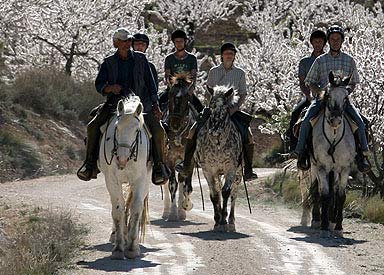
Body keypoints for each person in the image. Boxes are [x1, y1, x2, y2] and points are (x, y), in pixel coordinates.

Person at [76, 28, 167, 185]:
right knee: (93, 126)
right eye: (123, 41)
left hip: (139, 106)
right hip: (114, 104)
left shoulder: (141, 59)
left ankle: (159, 165)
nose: (126, 44)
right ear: (115, 43)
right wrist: (110, 88)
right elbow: (99, 84)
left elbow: (151, 85)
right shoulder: (108, 62)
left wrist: (155, 104)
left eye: (128, 41)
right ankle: (90, 163)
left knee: (158, 130)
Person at [292, 25, 369, 172]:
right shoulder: (320, 60)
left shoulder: (349, 60)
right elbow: (310, 81)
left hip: (342, 101)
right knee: (306, 120)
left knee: (360, 121)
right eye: (332, 39)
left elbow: (353, 82)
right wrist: (320, 93)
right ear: (328, 41)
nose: (335, 42)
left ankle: (363, 155)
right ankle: (300, 152)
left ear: (342, 41)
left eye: (338, 39)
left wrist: (346, 92)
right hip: (322, 100)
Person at [184, 42, 257, 180]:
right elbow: (209, 92)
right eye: (226, 53)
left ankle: (248, 169)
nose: (229, 55)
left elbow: (243, 94)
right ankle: (186, 164)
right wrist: (211, 107)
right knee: (193, 131)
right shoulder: (213, 71)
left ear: (234, 56)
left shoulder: (240, 73)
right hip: (213, 110)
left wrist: (235, 108)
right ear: (221, 56)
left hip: (232, 111)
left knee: (249, 136)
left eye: (231, 53)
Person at [285, 29, 327, 150]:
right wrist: (308, 96)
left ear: (324, 43)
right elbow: (302, 83)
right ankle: (294, 147)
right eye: (315, 42)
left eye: (320, 41)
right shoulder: (304, 62)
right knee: (295, 114)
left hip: (329, 97)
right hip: (311, 97)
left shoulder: (329, 60)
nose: (318, 44)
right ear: (312, 43)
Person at [161, 28, 203, 113]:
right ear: (174, 43)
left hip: (186, 89)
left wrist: (191, 88)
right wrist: (171, 87)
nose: (179, 44)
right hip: (172, 88)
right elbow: (167, 75)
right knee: (159, 103)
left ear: (185, 42)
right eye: (176, 41)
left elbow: (193, 75)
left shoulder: (192, 58)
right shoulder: (169, 58)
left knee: (200, 109)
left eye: (181, 41)